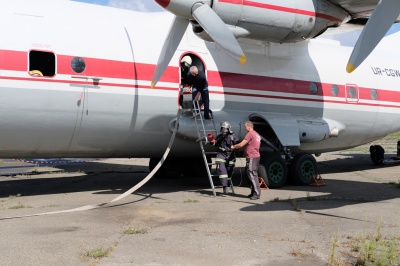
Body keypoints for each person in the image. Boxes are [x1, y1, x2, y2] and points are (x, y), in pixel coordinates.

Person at [231, 121, 262, 200]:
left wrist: (234, 146)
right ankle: (253, 192)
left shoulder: (250, 134)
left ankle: (256, 193)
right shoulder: (257, 134)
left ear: (249, 126)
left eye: (245, 127)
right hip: (256, 156)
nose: (245, 128)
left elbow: (241, 144)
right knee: (250, 173)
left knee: (251, 173)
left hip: (252, 157)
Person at [207, 121, 238, 195]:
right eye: (222, 129)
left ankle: (227, 183)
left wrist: (234, 147)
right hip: (221, 155)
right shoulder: (220, 136)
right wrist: (211, 140)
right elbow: (215, 144)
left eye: (225, 129)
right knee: (222, 170)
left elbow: (237, 145)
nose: (223, 131)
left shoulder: (233, 137)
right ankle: (224, 186)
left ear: (228, 129)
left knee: (229, 171)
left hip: (231, 156)